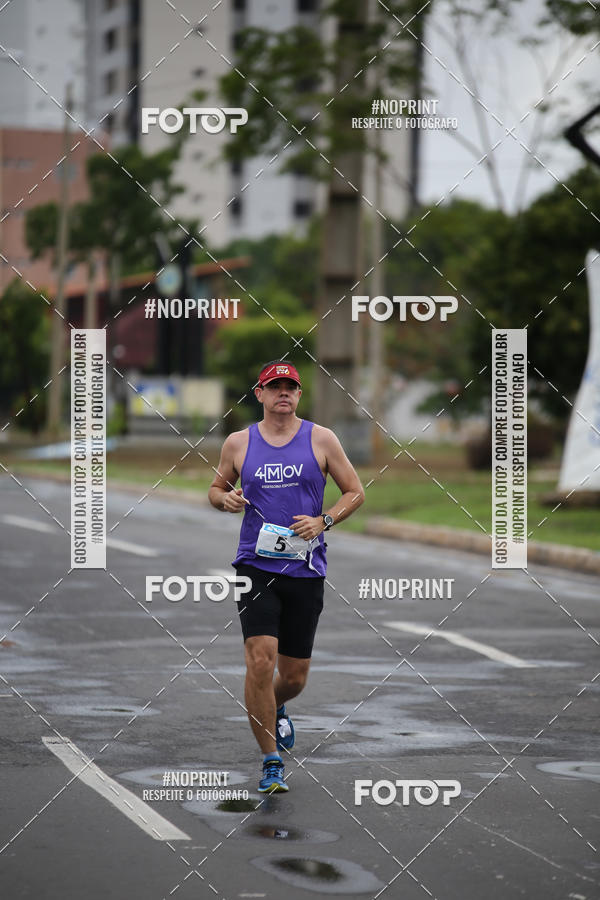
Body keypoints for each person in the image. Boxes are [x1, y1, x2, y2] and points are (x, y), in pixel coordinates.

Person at [208, 360, 365, 793]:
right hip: (255, 566)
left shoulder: (322, 439)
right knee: (260, 660)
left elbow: (355, 492)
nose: (283, 393)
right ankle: (271, 761)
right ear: (259, 394)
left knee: (293, 677)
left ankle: (273, 706)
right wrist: (225, 501)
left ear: (298, 395)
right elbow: (216, 489)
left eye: (290, 387)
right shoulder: (239, 443)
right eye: (275, 386)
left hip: (305, 569)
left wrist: (324, 520)